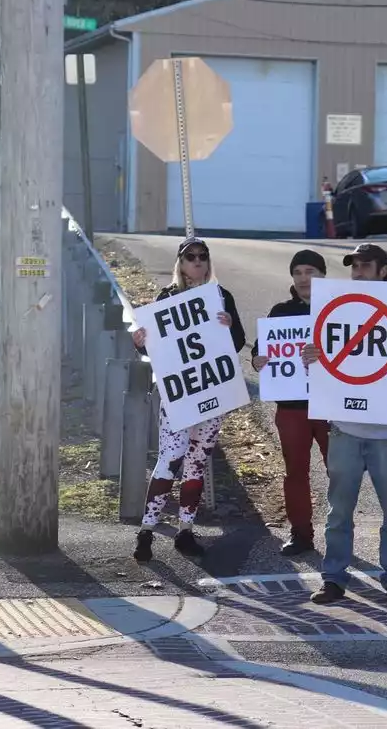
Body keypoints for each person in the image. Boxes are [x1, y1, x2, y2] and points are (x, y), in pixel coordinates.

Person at [302, 243, 387, 606]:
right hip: (344, 429)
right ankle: (333, 578)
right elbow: (320, 371)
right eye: (354, 267)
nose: (358, 273)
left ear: (383, 270)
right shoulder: (330, 314)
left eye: (365, 266)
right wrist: (310, 358)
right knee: (338, 511)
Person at [130, 236, 245, 562]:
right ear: (180, 263)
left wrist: (230, 325)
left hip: (211, 393)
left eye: (202, 257)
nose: (197, 262)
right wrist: (138, 341)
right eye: (190, 257)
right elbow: (152, 346)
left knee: (196, 463)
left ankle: (185, 531)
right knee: (170, 457)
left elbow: (237, 344)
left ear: (209, 262)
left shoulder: (221, 297)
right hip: (178, 396)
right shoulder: (167, 298)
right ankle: (146, 531)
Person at [250, 249, 331, 556]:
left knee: (339, 471)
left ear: (323, 275)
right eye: (297, 272)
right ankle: (301, 534)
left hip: (330, 405)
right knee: (295, 472)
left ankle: (341, 532)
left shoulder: (339, 309)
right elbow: (262, 349)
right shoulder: (281, 311)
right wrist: (258, 360)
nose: (303, 278)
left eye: (310, 271)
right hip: (292, 408)